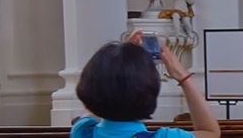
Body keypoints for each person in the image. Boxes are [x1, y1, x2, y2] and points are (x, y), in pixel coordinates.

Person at [71, 35, 220, 138]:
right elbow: (210, 132)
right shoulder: (166, 137)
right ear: (150, 90)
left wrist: (123, 60)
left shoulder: (82, 132)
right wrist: (183, 76)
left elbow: (94, 99)